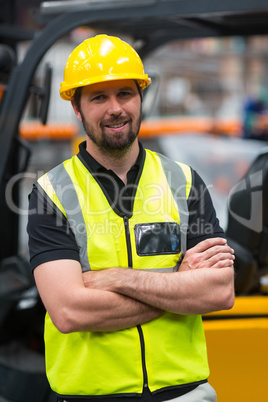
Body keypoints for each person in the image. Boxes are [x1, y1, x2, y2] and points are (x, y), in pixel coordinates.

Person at [27, 34, 235, 402]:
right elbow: (70, 311)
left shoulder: (183, 181)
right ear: (77, 108)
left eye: (125, 93)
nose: (115, 108)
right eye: (98, 97)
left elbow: (218, 291)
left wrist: (114, 278)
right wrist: (178, 287)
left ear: (140, 98)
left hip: (184, 393)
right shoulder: (51, 193)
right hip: (90, 396)